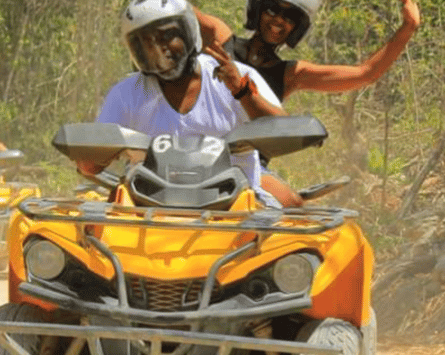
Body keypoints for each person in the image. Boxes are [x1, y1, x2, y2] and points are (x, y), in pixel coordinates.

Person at [194, 0, 421, 206]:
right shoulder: (221, 39)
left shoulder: (291, 74)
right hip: (192, 147)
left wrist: (408, 27)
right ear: (258, 10)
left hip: (247, 162)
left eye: (290, 17)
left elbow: (365, 74)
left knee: (293, 205)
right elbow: (175, 11)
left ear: (297, 28)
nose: (279, 20)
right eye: (273, 9)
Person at [77, 0, 288, 206]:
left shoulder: (238, 77)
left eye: (168, 36)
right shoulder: (126, 93)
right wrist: (92, 154)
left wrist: (243, 93)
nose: (160, 50)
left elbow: (285, 132)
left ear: (189, 31)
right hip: (147, 211)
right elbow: (88, 165)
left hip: (237, 208)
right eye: (146, 43)